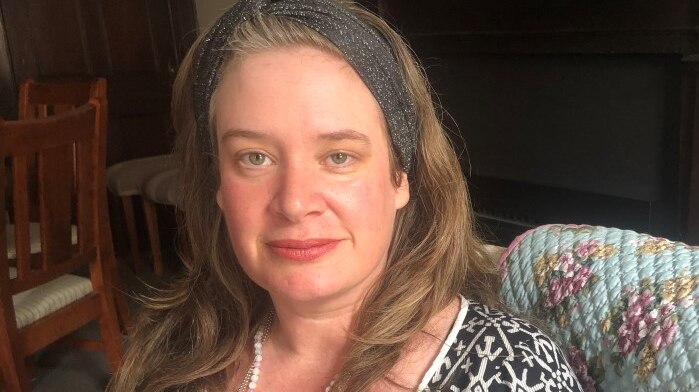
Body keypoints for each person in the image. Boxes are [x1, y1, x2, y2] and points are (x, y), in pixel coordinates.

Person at [110, 0, 584, 391]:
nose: (295, 203)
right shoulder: (174, 351)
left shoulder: (509, 370)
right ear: (217, 183)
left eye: (338, 156)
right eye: (255, 158)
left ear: (402, 176)